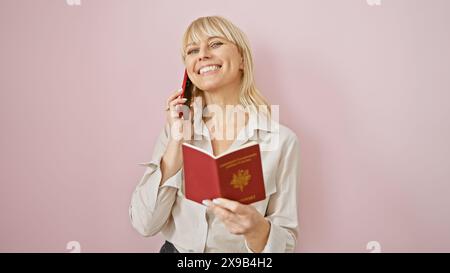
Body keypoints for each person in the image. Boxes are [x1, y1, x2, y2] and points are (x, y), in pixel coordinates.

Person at [129, 16, 300, 253]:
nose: (202, 55)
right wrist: (175, 144)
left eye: (215, 44)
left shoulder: (281, 141)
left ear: (241, 59)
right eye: (192, 50)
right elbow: (144, 224)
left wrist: (257, 229)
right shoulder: (176, 130)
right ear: (189, 70)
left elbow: (287, 242)